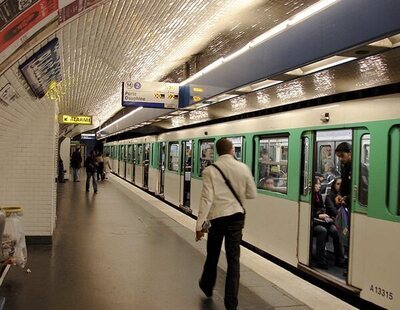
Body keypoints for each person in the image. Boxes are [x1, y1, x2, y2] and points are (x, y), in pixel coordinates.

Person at [196, 138, 257, 310]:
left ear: (217, 151)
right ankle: (231, 304)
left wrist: (199, 226)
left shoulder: (210, 170)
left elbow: (206, 199)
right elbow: (252, 193)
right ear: (232, 150)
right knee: (233, 260)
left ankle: (207, 286)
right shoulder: (243, 167)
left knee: (213, 254)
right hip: (237, 218)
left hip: (217, 218)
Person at [312, 177, 345, 270]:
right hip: (314, 222)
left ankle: (340, 259)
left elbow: (322, 208)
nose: (319, 186)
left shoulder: (318, 195)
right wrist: (319, 216)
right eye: (317, 184)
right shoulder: (328, 196)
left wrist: (324, 215)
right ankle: (320, 260)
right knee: (322, 231)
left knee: (335, 230)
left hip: (322, 220)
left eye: (319, 184)